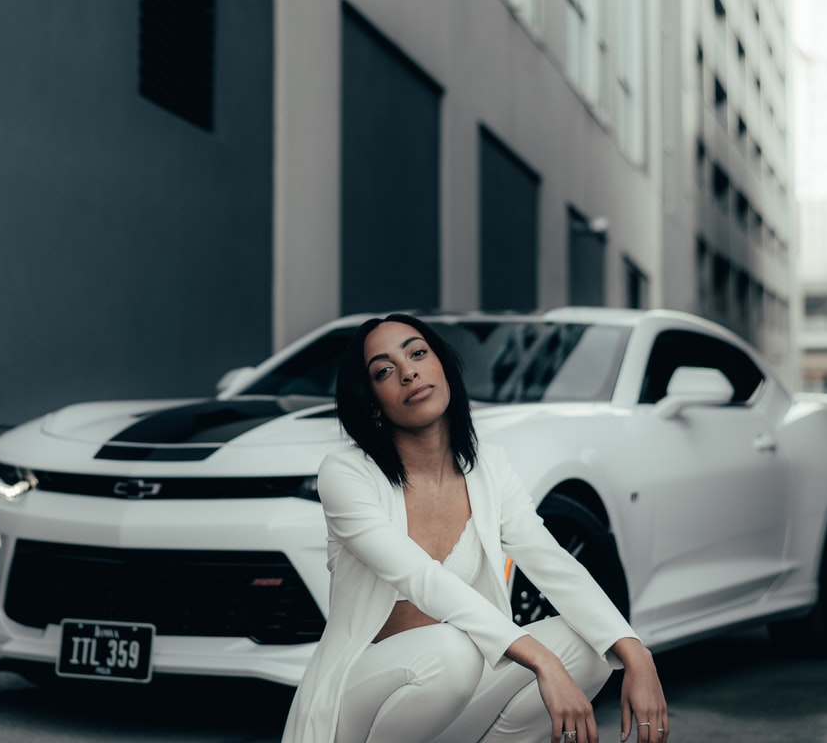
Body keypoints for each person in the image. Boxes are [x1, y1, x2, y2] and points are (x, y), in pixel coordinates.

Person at [281, 312, 669, 743]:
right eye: (385, 371)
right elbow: (420, 578)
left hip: (455, 693)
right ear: (372, 400)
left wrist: (635, 652)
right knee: (454, 651)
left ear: (442, 366)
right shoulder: (347, 473)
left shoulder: (490, 468)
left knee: (592, 648)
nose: (408, 372)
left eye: (418, 353)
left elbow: (550, 559)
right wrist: (540, 659)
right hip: (361, 707)